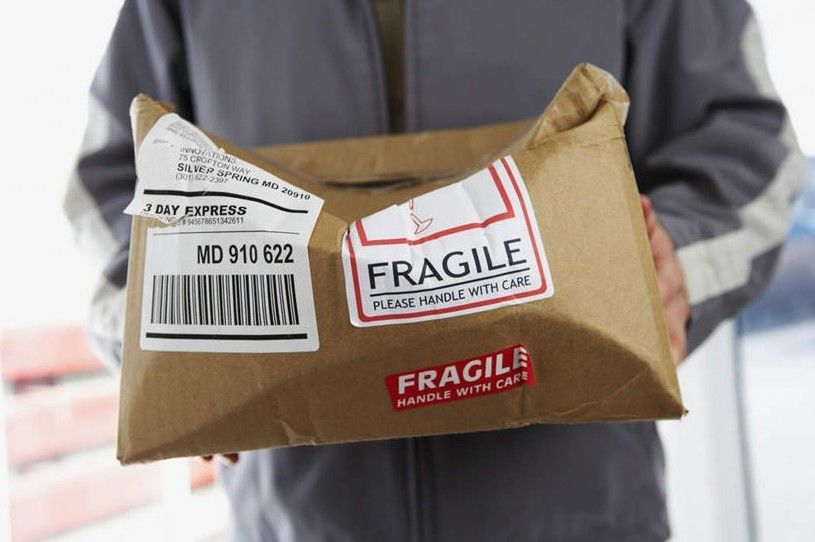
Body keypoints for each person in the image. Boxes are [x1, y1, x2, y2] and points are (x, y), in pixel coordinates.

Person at [64, 1, 805, 540]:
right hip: (299, 521)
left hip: (585, 516)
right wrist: (165, 340)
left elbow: (746, 142)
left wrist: (677, 262)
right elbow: (111, 188)